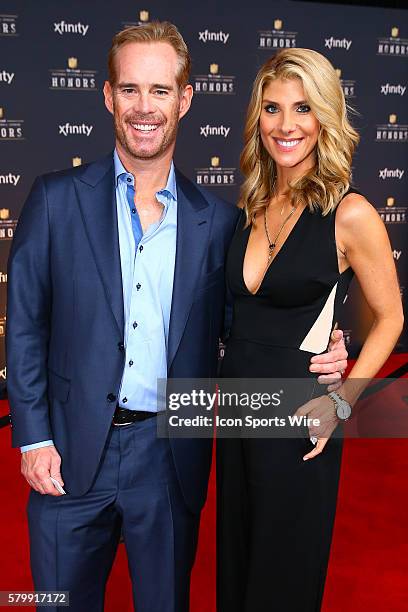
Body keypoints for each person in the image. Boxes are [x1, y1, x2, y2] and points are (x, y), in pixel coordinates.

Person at [6, 24, 347, 612]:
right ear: (108, 96)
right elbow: (27, 324)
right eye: (131, 89)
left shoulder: (217, 223)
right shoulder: (54, 199)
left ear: (185, 100)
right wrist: (33, 436)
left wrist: (332, 346)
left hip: (167, 462)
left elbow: (256, 318)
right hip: (65, 457)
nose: (145, 108)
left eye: (160, 91)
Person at [216, 48, 403, 612]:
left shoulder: (351, 213)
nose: (286, 124)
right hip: (237, 411)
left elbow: (391, 316)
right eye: (272, 109)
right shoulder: (249, 205)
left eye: (302, 107)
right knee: (238, 569)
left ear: (325, 115)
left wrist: (343, 399)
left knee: (281, 579)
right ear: (258, 119)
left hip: (300, 418)